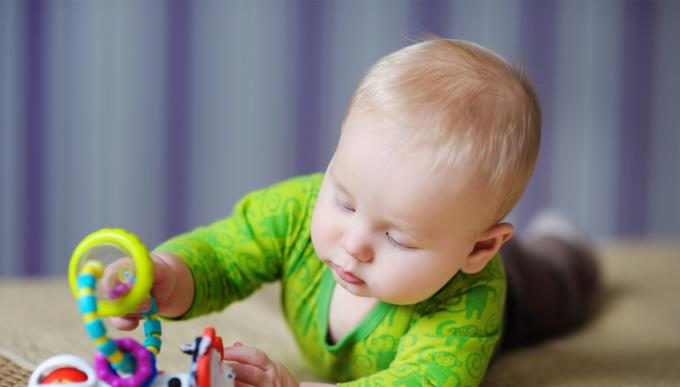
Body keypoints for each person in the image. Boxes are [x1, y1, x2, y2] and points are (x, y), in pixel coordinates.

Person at [110, 38, 599, 386]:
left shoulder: (471, 297)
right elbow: (224, 255)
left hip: (523, 291)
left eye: (400, 239)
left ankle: (566, 243)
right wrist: (168, 277)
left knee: (559, 283)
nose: (354, 242)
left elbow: (424, 380)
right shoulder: (296, 210)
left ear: (479, 246)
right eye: (344, 200)